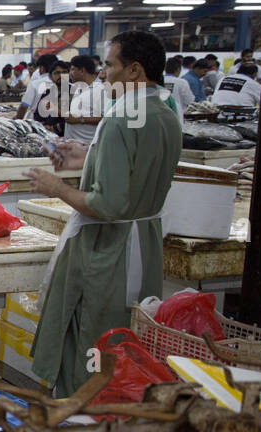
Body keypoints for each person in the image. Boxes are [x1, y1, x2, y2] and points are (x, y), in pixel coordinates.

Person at [25, 31, 182, 397]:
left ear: (134, 70)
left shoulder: (119, 120)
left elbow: (108, 205)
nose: (103, 74)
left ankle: (81, 424)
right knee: (130, 345)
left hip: (110, 252)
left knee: (92, 344)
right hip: (144, 242)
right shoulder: (164, 113)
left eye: (110, 65)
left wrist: (57, 188)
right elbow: (137, 169)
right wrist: (87, 157)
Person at [57, 55, 104, 145]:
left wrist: (79, 120)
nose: (70, 73)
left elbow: (105, 118)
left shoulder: (101, 90)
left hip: (89, 147)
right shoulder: (78, 88)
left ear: (82, 71)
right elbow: (74, 115)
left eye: (73, 69)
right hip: (74, 145)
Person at [15, 53, 60, 122]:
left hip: (35, 122)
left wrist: (16, 121)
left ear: (42, 68)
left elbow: (23, 106)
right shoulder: (63, 83)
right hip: (55, 123)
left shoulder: (35, 84)